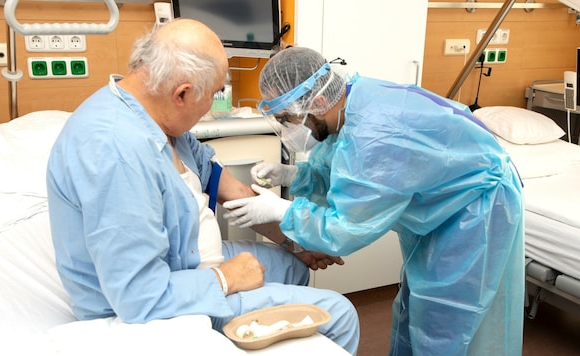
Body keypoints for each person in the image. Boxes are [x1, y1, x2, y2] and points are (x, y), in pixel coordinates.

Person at [46, 20, 359, 354]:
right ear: (181, 93)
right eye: (211, 95)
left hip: (185, 256)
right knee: (339, 314)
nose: (211, 105)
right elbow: (138, 295)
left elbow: (233, 192)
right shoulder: (116, 151)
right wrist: (226, 279)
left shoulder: (157, 119)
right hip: (161, 295)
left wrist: (297, 243)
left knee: (293, 266)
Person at [222, 46, 525, 355]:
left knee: (445, 318)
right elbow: (344, 171)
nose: (287, 132)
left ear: (319, 101)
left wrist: (282, 210)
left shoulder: (375, 132)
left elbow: (348, 226)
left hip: (475, 207)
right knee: (417, 303)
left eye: (288, 120)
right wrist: (292, 175)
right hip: (441, 204)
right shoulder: (351, 105)